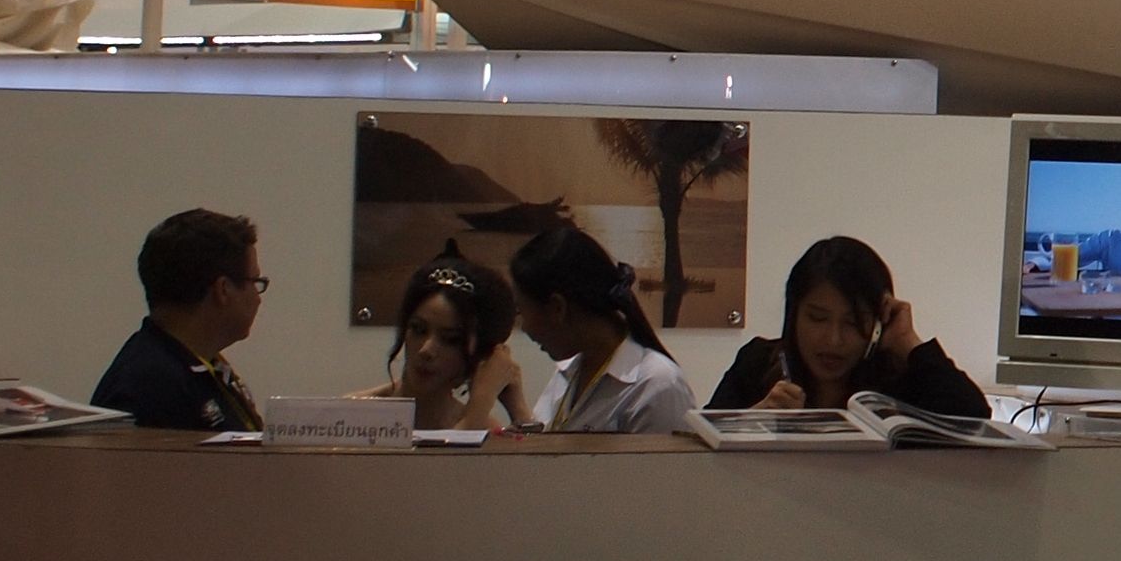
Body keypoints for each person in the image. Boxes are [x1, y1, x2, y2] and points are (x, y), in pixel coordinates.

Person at [709, 235, 990, 421]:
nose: (833, 340)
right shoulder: (758, 363)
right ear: (794, 315)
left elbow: (974, 416)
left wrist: (907, 341)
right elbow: (698, 443)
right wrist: (752, 419)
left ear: (878, 320)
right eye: (817, 318)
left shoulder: (901, 379)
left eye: (854, 323)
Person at [508, 222, 701, 434]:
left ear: (557, 308)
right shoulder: (569, 371)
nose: (525, 328)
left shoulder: (658, 384)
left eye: (522, 311)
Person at [93, 207, 269, 431]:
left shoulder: (204, 368)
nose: (258, 299)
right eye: (255, 282)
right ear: (223, 290)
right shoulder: (148, 388)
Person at [358, 249, 529, 432]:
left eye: (450, 340)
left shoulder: (484, 428)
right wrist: (478, 411)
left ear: (480, 354)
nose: (426, 350)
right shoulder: (353, 414)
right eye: (418, 329)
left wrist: (518, 408)